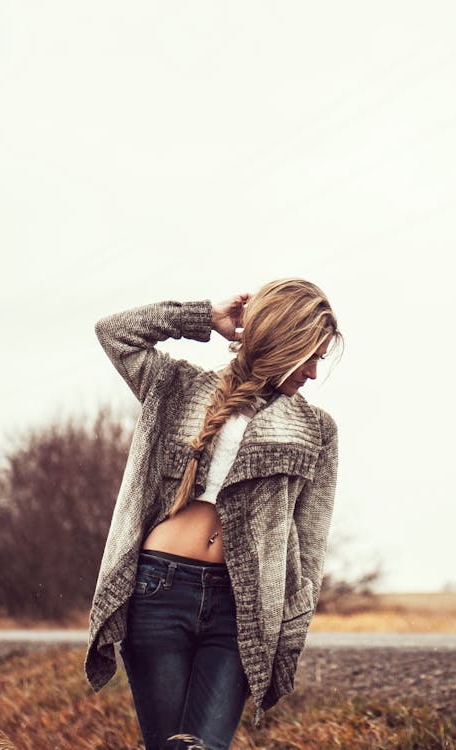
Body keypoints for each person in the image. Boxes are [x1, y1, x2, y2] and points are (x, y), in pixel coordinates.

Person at [84, 279, 341, 750]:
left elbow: (309, 546)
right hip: (159, 592)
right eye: (309, 354)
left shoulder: (316, 430)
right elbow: (114, 331)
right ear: (282, 341)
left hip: (240, 609)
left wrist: (290, 630)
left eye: (320, 358)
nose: (313, 371)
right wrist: (203, 316)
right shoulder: (177, 386)